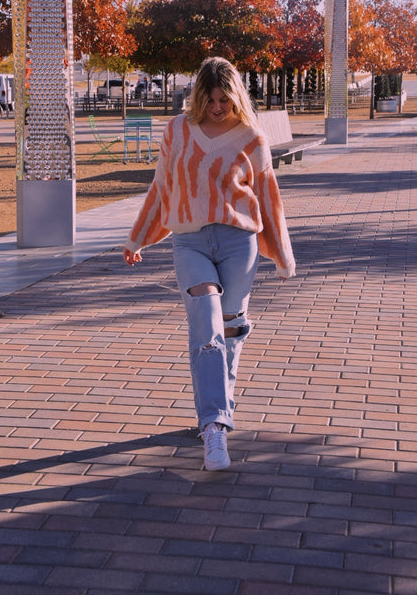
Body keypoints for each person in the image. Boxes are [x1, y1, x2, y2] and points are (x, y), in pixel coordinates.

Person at [123, 57, 295, 471]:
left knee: (230, 327)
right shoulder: (177, 131)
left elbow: (269, 198)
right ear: (199, 95)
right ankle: (214, 427)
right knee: (207, 324)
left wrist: (283, 255)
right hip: (190, 244)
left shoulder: (251, 138)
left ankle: (223, 400)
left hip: (240, 244)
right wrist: (137, 237)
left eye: (225, 99)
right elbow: (162, 187)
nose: (217, 107)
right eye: (211, 98)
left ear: (235, 96)